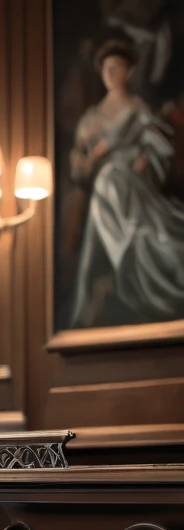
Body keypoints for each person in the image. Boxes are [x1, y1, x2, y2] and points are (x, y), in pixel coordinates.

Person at [69, 38, 184, 328]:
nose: (110, 74)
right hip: (107, 191)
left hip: (136, 187)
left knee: (158, 235)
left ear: (128, 72)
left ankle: (142, 268)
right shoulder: (91, 120)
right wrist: (89, 161)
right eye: (106, 68)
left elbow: (160, 151)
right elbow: (79, 172)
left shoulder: (138, 109)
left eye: (116, 68)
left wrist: (146, 159)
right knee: (108, 180)